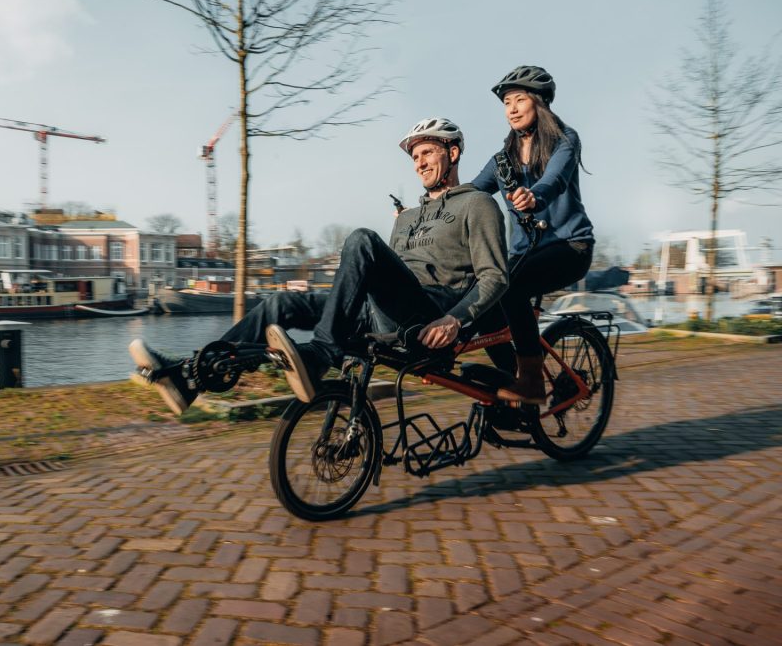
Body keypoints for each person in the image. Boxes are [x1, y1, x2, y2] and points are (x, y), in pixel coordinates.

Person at [129, 117, 509, 415]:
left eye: (427, 153)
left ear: (453, 153)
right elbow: (383, 276)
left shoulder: (477, 204)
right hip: (375, 313)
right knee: (280, 305)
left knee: (361, 238)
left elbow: (494, 276)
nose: (419, 163)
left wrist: (455, 320)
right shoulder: (407, 217)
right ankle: (193, 375)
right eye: (415, 157)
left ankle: (320, 356)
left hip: (425, 320)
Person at [472, 65, 595, 404]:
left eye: (519, 99)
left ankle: (531, 381)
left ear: (539, 102)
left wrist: (534, 195)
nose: (511, 108)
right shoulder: (503, 160)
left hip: (570, 246)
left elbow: (553, 181)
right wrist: (428, 207)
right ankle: (516, 381)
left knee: (510, 286)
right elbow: (472, 193)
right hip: (525, 254)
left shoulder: (564, 140)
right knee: (481, 301)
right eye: (506, 102)